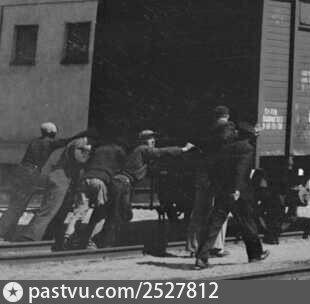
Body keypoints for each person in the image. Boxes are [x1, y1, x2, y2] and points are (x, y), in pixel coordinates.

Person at [94, 131, 195, 248]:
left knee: (118, 214)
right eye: (149, 139)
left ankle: (103, 240)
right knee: (118, 215)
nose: (153, 141)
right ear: (143, 141)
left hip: (122, 184)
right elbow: (160, 152)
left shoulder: (141, 154)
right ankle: (105, 242)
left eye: (153, 138)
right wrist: (183, 149)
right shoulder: (142, 149)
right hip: (122, 184)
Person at [195, 121, 268, 268]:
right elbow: (241, 170)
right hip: (239, 193)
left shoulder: (225, 148)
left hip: (223, 192)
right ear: (248, 136)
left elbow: (215, 170)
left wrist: (218, 188)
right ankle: (255, 255)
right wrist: (237, 190)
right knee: (247, 223)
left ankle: (201, 258)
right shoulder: (247, 148)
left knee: (214, 224)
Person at [17, 130, 94, 245]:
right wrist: (89, 154)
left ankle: (47, 236)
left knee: (60, 210)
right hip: (60, 178)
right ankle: (29, 236)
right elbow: (80, 158)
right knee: (50, 208)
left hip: (64, 178)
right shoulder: (81, 143)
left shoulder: (77, 144)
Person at [185, 107, 235, 258]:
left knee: (199, 211)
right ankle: (217, 247)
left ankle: (193, 247)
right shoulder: (228, 129)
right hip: (219, 177)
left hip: (203, 176)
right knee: (220, 212)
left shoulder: (205, 130)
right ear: (227, 116)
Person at [0, 122, 61, 240]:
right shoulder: (48, 142)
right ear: (52, 133)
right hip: (31, 173)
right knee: (18, 205)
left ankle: (8, 233)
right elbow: (64, 142)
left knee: (16, 203)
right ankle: (2, 231)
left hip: (21, 170)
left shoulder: (35, 141)